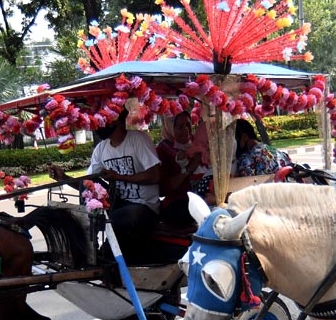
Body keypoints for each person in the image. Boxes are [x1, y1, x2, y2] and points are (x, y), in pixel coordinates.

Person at [49, 108, 161, 253]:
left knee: (115, 219)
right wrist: (63, 178)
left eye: (104, 120)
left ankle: (106, 256)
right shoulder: (101, 149)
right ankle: (85, 251)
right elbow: (86, 184)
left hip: (144, 206)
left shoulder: (138, 139)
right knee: (88, 192)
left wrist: (119, 177)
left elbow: (155, 175)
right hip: (117, 203)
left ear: (118, 121)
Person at [157, 112, 213, 226]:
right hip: (178, 201)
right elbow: (164, 188)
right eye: (180, 127)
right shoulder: (162, 150)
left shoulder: (199, 143)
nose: (186, 130)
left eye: (188, 125)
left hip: (205, 194)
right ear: (170, 128)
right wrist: (189, 168)